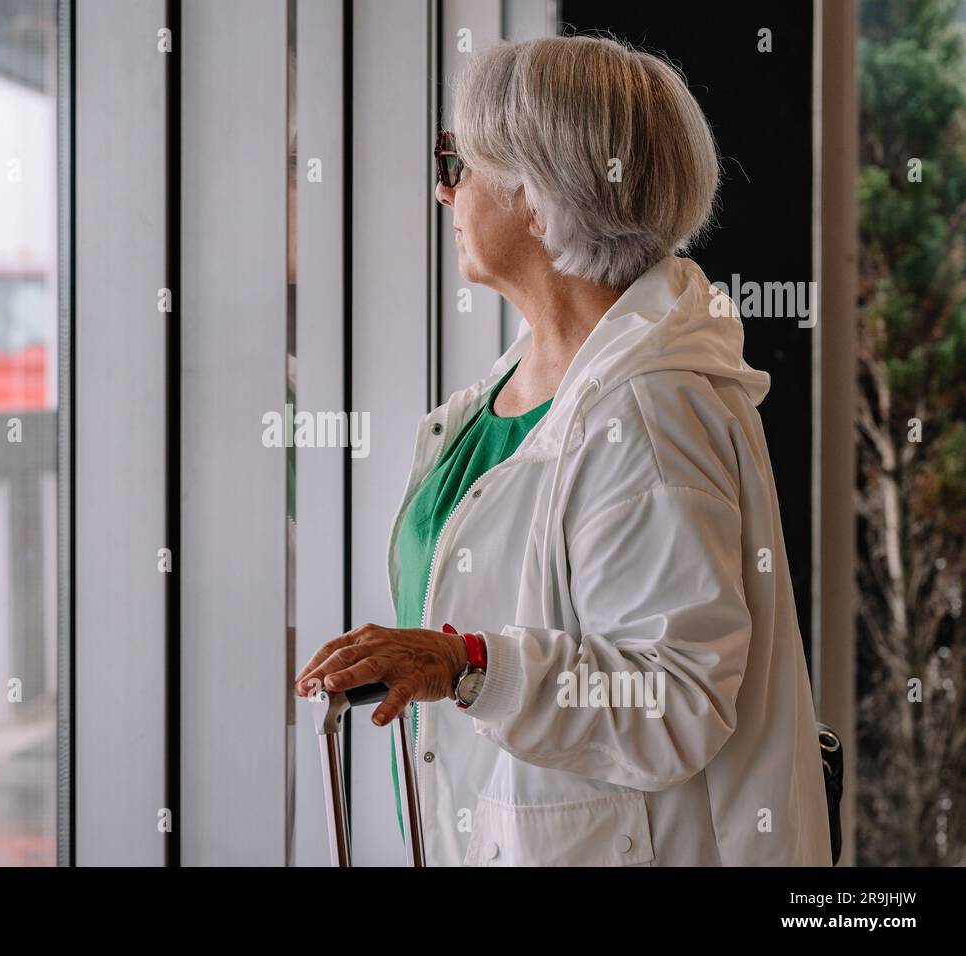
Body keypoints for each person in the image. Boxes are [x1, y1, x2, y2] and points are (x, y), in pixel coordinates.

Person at [295, 35, 831, 866]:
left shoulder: (651, 407)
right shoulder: (507, 396)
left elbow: (673, 697)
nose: (445, 193)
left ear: (538, 192)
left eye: (456, 162)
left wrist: (465, 664)